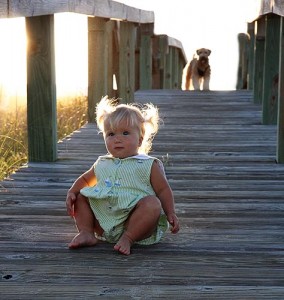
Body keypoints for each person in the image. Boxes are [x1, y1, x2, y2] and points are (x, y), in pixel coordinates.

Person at [66, 96, 180, 255]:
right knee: (81, 196)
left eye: (125, 133)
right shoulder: (102, 162)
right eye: (111, 134)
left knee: (152, 204)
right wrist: (72, 191)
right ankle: (86, 232)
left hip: (135, 222)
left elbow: (163, 190)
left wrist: (170, 212)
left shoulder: (148, 164)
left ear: (140, 140)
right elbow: (86, 179)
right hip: (103, 220)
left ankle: (128, 238)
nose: (117, 139)